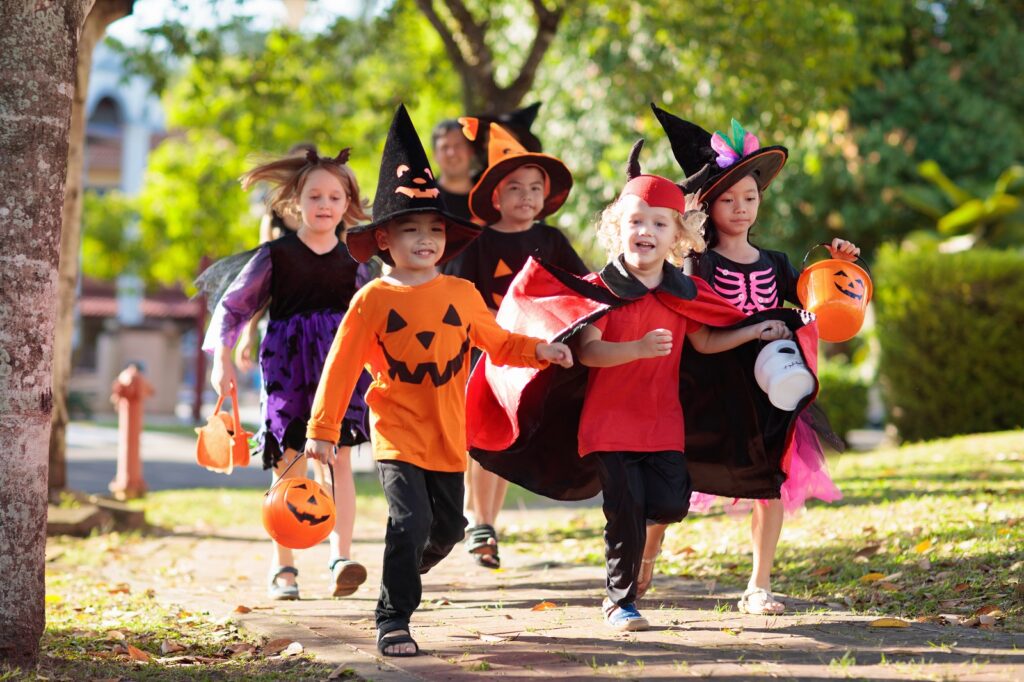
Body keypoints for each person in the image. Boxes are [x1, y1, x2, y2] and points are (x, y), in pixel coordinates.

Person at [304, 105, 573, 657]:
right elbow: (342, 365)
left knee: (446, 530)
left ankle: (400, 570)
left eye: (434, 230)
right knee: (410, 520)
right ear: (384, 239)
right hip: (398, 433)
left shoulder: (460, 295)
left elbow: (498, 342)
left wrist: (540, 350)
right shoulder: (373, 299)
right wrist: (322, 430)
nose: (424, 239)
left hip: (450, 435)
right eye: (410, 230)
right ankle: (393, 618)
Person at [640, 104, 858, 614]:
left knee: (770, 482)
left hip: (768, 391)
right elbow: (696, 334)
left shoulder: (777, 263)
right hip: (706, 389)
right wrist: (752, 329)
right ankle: (644, 556)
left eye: (750, 197)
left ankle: (759, 584)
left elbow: (822, 307)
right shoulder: (697, 262)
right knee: (674, 481)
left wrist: (839, 265)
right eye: (729, 199)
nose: (741, 208)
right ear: (707, 204)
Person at [574, 170, 792, 631]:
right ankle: (619, 601)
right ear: (617, 229)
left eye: (659, 224)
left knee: (672, 504)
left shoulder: (682, 291)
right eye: (636, 221)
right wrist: (636, 349)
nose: (646, 231)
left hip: (663, 424)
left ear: (677, 236)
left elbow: (706, 341)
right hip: (610, 424)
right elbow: (589, 351)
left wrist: (754, 330)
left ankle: (636, 552)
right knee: (625, 510)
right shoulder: (602, 288)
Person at [200, 146, 371, 601]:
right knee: (288, 463)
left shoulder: (357, 260)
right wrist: (221, 359)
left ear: (348, 204)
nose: (324, 205)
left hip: (339, 369)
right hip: (285, 367)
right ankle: (284, 567)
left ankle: (341, 558)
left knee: (339, 460)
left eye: (335, 197)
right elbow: (234, 307)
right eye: (315, 196)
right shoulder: (275, 256)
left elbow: (376, 317)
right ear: (296, 201)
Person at [444, 121, 588, 568]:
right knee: (483, 435)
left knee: (506, 439)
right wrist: (498, 322)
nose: (526, 196)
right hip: (486, 354)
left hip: (532, 356)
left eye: (534, 188)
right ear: (495, 197)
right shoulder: (479, 242)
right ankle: (479, 520)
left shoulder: (551, 240)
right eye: (515, 188)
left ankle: (484, 521)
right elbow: (460, 298)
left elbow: (579, 288)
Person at [431, 119, 476, 221]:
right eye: (444, 147)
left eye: (458, 145)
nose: (452, 153)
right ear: (435, 155)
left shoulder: (490, 196)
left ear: (470, 150)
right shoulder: (426, 200)